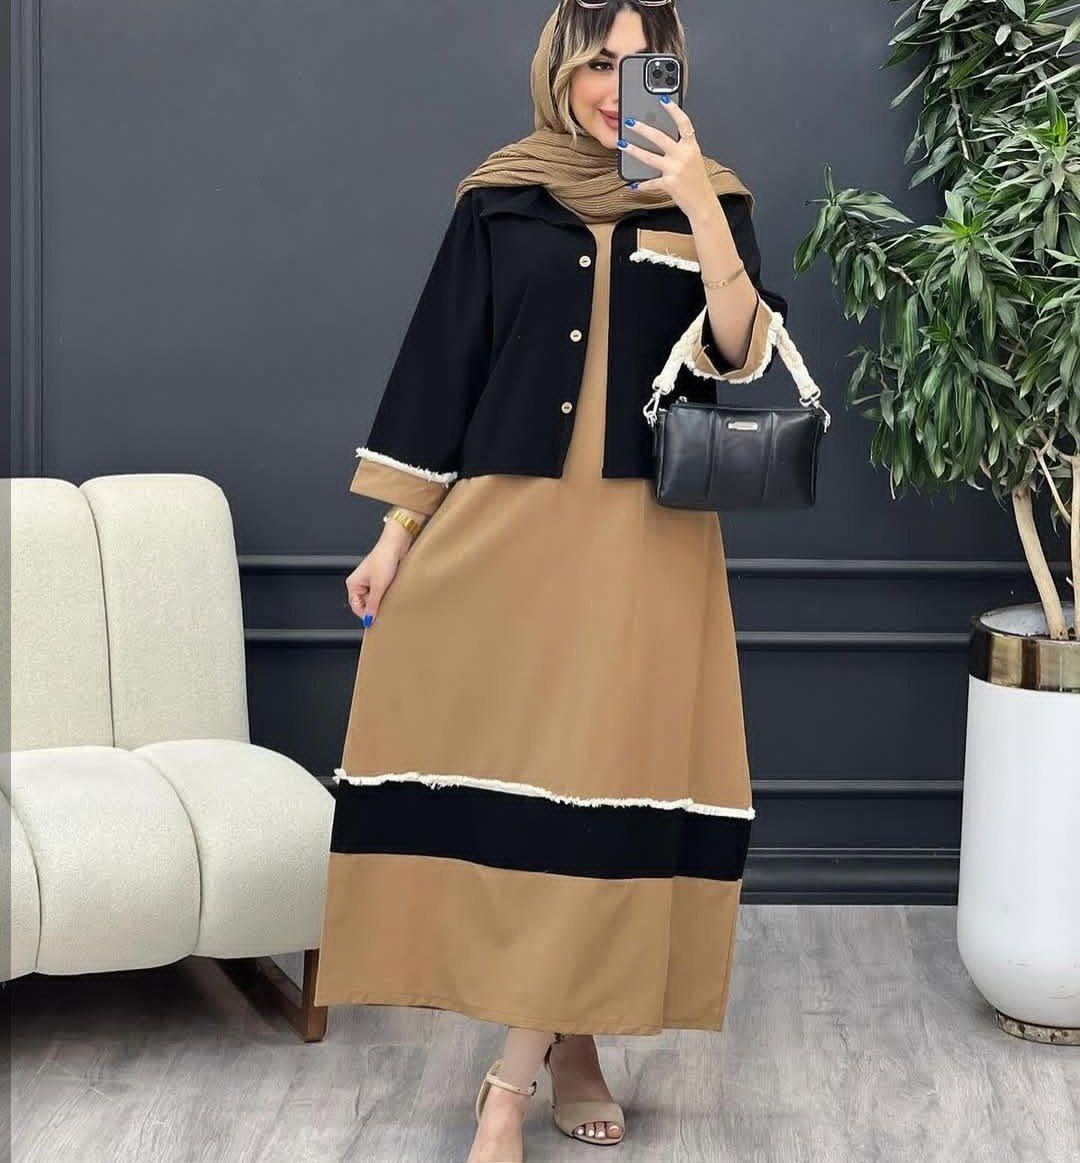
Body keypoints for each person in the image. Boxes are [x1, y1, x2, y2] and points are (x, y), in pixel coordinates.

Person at [314, 3, 788, 1160]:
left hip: (644, 549)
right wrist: (396, 533)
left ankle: (504, 1089)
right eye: (597, 62)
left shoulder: (710, 196)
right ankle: (569, 1050)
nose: (615, 86)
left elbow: (741, 353)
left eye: (642, 64)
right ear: (560, 67)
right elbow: (444, 367)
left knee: (602, 787)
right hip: (506, 539)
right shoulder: (502, 197)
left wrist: (694, 202)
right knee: (539, 797)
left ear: (674, 71)